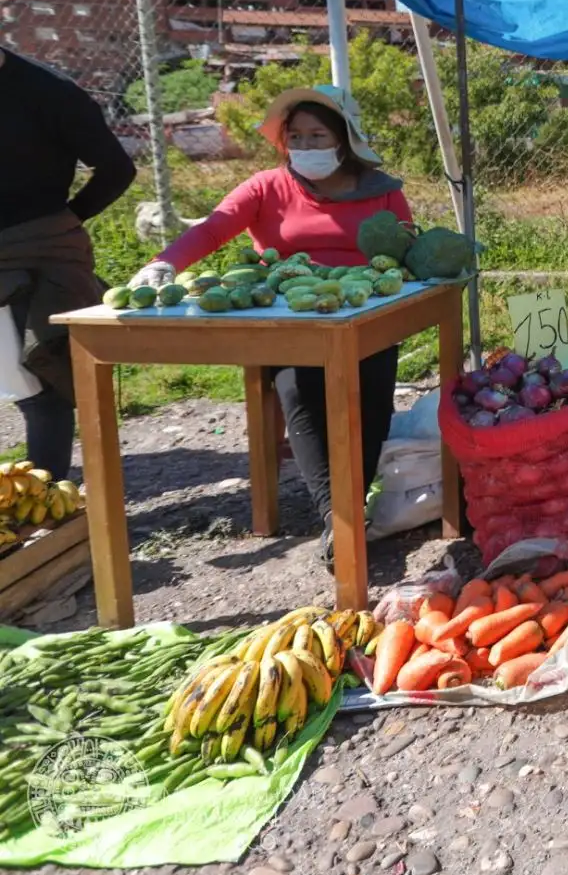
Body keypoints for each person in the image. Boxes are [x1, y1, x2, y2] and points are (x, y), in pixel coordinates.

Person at [127, 86, 408, 565]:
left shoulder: (382, 191)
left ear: (343, 140)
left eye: (317, 135)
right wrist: (164, 264)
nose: (306, 146)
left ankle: (353, 498)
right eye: (295, 136)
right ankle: (337, 518)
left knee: (373, 387)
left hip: (364, 316)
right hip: (287, 320)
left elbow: (404, 247)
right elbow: (214, 228)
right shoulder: (266, 187)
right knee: (298, 391)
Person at [0, 49, 136, 481]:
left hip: (38, 254)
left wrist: (64, 222)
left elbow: (116, 169)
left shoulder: (49, 91)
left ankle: (46, 504)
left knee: (42, 385)